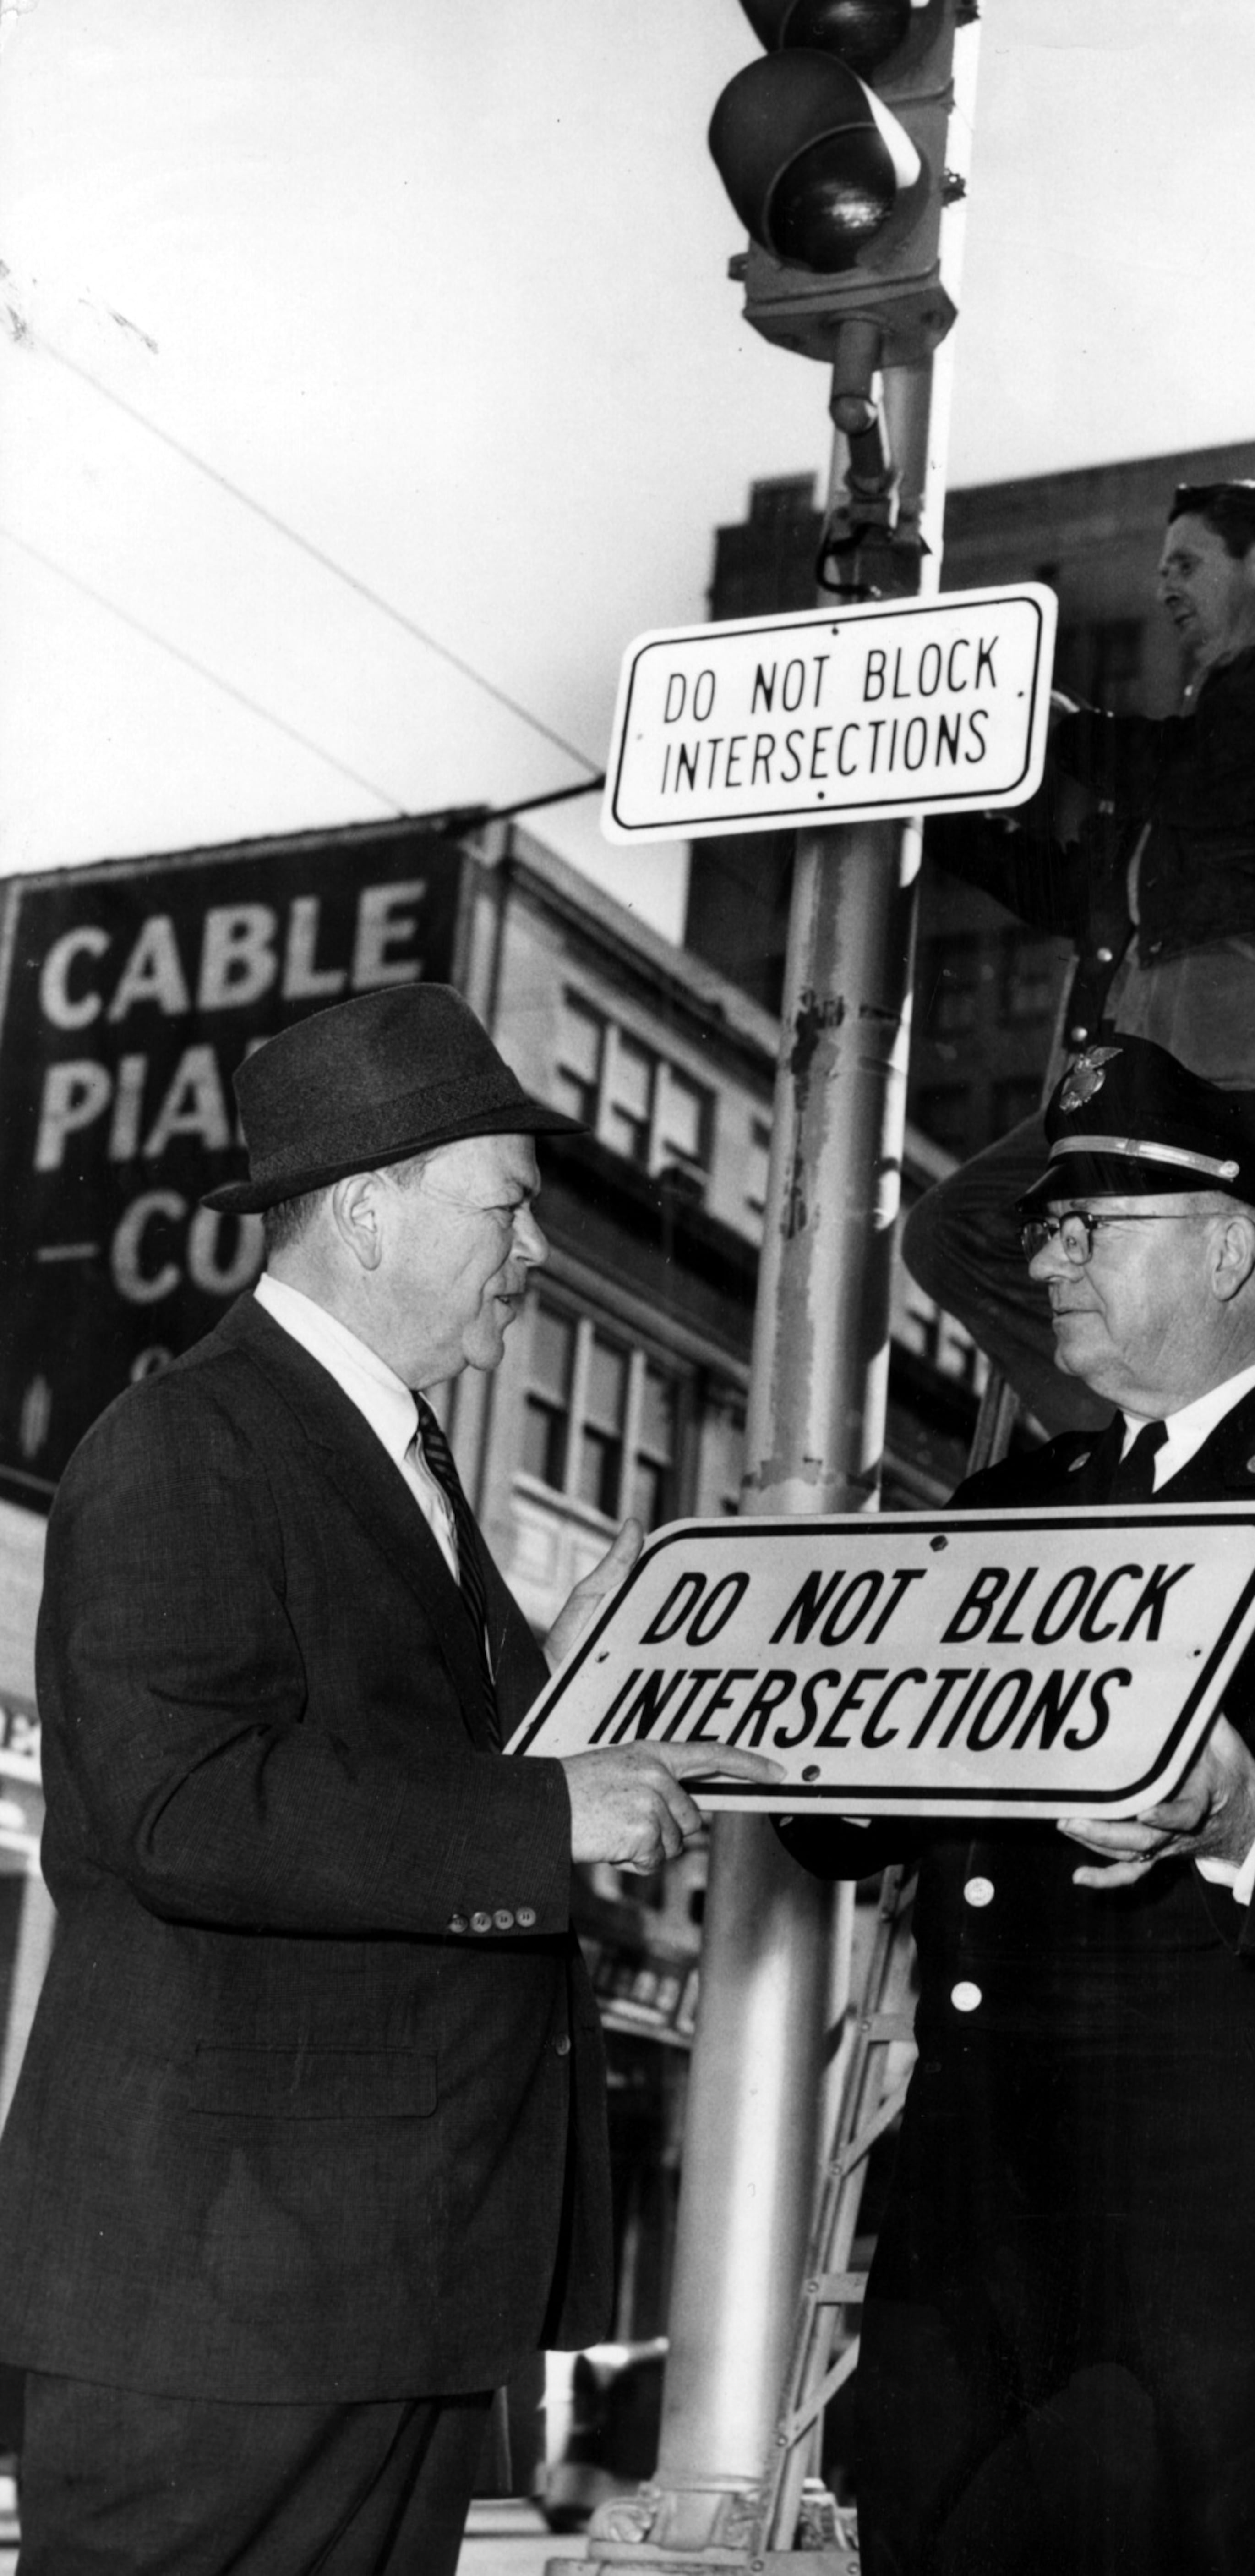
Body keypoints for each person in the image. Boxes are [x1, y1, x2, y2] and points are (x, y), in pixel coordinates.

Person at [0, 984, 775, 2576]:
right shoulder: (183, 1446)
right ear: (365, 1210)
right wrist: (553, 1809)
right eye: (508, 1205)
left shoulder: (397, 1468)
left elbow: (384, 1769)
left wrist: (598, 1664)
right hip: (226, 2325)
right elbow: (187, 1804)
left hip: (366, 2297)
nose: (538, 1252)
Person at [784, 1036, 1255, 2576]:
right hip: (969, 2200)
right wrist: (733, 1695)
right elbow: (845, 1820)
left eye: (1087, 1225)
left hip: (1216, 2210)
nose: (1046, 1258)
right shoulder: (1005, 1512)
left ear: (1233, 1245)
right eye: (1047, 1224)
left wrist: (1253, 1820)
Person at [903, 477, 1255, 1434]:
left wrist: (1055, 726)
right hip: (1150, 1036)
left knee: (1223, 1270)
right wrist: (919, 793)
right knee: (959, 1230)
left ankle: (1237, 1462)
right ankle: (1134, 1452)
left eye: (1186, 562)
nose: (1164, 586)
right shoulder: (1178, 767)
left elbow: (1208, 779)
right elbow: (1069, 891)